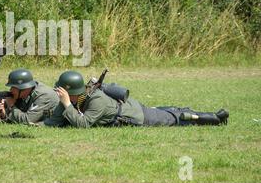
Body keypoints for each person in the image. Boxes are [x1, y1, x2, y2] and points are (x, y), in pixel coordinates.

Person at [44, 70, 229, 128]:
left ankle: (213, 118)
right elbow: (57, 120)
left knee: (174, 118)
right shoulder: (80, 97)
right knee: (168, 111)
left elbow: (83, 124)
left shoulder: (95, 100)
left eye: (63, 91)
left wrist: (67, 103)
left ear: (72, 92)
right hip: (131, 108)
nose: (59, 93)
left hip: (135, 115)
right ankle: (195, 113)